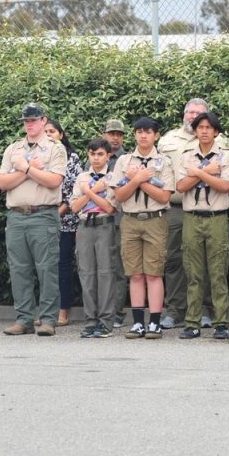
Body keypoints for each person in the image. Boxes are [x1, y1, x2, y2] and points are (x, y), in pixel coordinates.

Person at [157, 98, 229, 329]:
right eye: (190, 112)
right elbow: (170, 179)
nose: (193, 117)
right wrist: (207, 171)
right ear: (184, 114)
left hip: (210, 210)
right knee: (175, 261)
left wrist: (198, 173)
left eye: (199, 114)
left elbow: (226, 181)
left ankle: (207, 310)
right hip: (176, 208)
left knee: (212, 265)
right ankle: (175, 309)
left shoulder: (223, 143)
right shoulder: (168, 140)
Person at [0, 103, 67, 336]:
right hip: (17, 215)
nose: (29, 124)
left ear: (43, 120)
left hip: (43, 214)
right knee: (19, 269)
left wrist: (24, 168)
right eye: (26, 120)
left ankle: (48, 319)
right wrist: (27, 170)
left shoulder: (54, 148)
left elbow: (54, 181)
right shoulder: (13, 149)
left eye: (34, 119)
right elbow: (3, 183)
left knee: (47, 269)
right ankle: (24, 319)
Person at [111, 117, 175, 340]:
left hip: (155, 220)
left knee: (154, 272)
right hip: (130, 219)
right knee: (135, 273)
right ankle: (138, 323)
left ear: (156, 135)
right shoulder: (124, 162)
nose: (143, 135)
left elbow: (164, 195)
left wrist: (140, 180)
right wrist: (136, 179)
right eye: (139, 131)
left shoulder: (164, 162)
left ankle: (155, 323)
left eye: (148, 131)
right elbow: (118, 195)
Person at [175, 112, 229, 340]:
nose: (203, 131)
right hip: (192, 216)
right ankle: (192, 321)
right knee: (193, 271)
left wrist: (199, 172)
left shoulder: (226, 156)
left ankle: (221, 321)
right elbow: (181, 186)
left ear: (216, 132)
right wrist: (207, 171)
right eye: (200, 127)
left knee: (218, 270)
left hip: (216, 217)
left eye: (208, 127)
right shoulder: (186, 154)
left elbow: (225, 186)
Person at [72, 138, 119, 339]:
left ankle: (106, 320)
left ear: (108, 156)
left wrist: (89, 191)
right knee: (87, 273)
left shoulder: (113, 177)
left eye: (100, 154)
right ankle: (90, 320)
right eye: (92, 154)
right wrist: (93, 190)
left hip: (104, 225)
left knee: (106, 273)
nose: (96, 158)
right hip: (84, 226)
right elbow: (74, 207)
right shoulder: (82, 176)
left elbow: (110, 207)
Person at [46, 118, 82, 326]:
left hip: (66, 221)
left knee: (63, 266)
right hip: (43, 219)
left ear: (61, 134)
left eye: (53, 131)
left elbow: (74, 192)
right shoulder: (38, 157)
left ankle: (63, 310)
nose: (49, 134)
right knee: (45, 267)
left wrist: (57, 213)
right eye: (46, 131)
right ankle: (47, 309)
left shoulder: (72, 158)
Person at [102, 119, 127, 328]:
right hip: (99, 219)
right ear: (105, 135)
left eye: (119, 134)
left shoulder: (127, 159)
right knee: (102, 267)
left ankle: (117, 312)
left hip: (119, 219)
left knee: (118, 268)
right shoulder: (97, 156)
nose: (115, 138)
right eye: (112, 134)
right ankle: (102, 310)